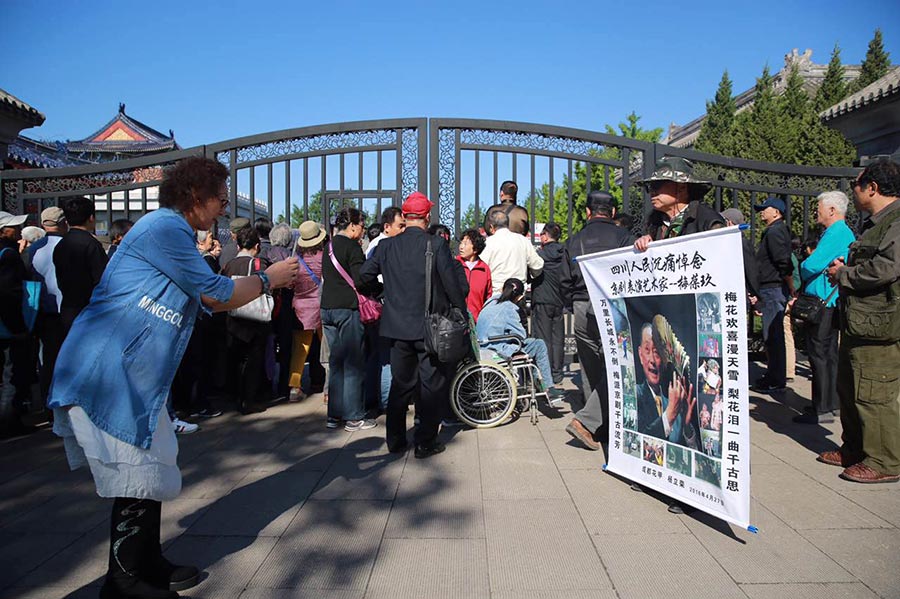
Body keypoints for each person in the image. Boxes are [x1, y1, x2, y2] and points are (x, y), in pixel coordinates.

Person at [47, 156, 297, 598]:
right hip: (112, 369)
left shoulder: (171, 231)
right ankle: (123, 580)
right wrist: (267, 278)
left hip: (136, 373)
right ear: (195, 197)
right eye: (220, 198)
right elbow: (216, 294)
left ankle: (146, 562)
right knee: (134, 474)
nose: (223, 207)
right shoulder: (164, 228)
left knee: (152, 466)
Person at [359, 191, 468, 458]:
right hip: (429, 326)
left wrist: (382, 293)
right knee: (430, 386)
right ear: (427, 217)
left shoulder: (386, 246)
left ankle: (395, 440)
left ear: (405, 217)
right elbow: (452, 286)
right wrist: (459, 311)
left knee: (401, 384)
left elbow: (363, 277)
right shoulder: (436, 245)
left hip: (397, 327)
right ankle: (425, 441)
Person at [819, 160, 900, 484]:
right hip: (860, 323)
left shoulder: (895, 222)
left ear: (872, 188)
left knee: (874, 392)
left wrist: (845, 273)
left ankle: (885, 460)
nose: (853, 192)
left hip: (880, 327)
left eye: (856, 186)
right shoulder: (875, 223)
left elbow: (887, 268)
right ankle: (854, 448)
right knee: (850, 388)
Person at [561, 191, 634, 451]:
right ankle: (596, 423)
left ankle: (596, 426)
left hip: (582, 307)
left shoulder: (574, 241)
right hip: (614, 306)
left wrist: (573, 303)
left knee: (590, 367)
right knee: (616, 365)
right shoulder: (624, 237)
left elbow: (564, 280)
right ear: (613, 213)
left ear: (588, 212)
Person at [792, 191, 855, 425]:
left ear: (831, 210)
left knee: (819, 354)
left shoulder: (836, 232)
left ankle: (821, 408)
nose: (816, 211)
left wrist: (806, 263)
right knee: (828, 355)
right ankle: (831, 403)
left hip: (822, 303)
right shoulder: (841, 232)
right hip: (831, 302)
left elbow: (812, 264)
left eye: (819, 207)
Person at [321, 207, 378, 432]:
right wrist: (377, 287)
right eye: (362, 226)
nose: (363, 231)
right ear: (353, 225)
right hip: (347, 308)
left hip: (327, 308)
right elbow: (360, 279)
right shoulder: (352, 247)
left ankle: (334, 416)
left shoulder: (329, 246)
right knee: (353, 363)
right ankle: (354, 416)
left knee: (336, 363)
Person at [477, 278, 564, 402]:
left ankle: (541, 383)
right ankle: (548, 387)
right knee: (538, 345)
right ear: (519, 297)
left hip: (484, 345)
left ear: (503, 289)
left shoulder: (490, 302)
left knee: (532, 345)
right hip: (495, 348)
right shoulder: (509, 308)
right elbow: (520, 335)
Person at [222, 226, 272, 415]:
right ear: (257, 245)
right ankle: (249, 400)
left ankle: (236, 396)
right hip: (254, 318)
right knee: (253, 360)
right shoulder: (259, 265)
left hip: (233, 318)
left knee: (236, 359)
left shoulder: (228, 265)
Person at [750, 197, 795, 393]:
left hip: (774, 288)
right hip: (772, 288)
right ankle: (773, 376)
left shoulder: (776, 231)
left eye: (764, 209)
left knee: (774, 335)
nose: (761, 212)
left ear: (776, 212)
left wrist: (791, 285)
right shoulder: (774, 231)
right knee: (771, 335)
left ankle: (776, 379)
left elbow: (783, 261)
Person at [635, 320, 699, 450]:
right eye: (647, 350)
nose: (652, 360)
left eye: (657, 352)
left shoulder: (672, 401)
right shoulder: (635, 395)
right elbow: (638, 446)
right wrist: (670, 414)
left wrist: (686, 427)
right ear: (640, 355)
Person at [28, 207, 68, 403]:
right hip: (69, 309)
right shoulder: (69, 245)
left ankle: (48, 401)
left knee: (48, 360)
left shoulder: (34, 249)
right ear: (63, 223)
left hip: (44, 310)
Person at [53, 196, 108, 336]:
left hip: (67, 308)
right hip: (90, 310)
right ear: (91, 218)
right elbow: (102, 280)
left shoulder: (61, 245)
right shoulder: (91, 244)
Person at [0, 210, 33, 434]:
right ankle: (9, 422)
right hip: (6, 325)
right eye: (14, 227)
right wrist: (18, 327)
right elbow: (8, 294)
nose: (19, 230)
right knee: (11, 374)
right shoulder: (8, 254)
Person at [289, 220, 326, 402]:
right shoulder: (324, 257)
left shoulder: (295, 260)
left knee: (300, 350)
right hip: (321, 306)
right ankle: (329, 389)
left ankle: (295, 387)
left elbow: (289, 283)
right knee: (328, 349)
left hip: (300, 308)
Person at [480, 208, 543, 296]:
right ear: (507, 224)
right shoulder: (522, 240)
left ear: (491, 227)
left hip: (495, 294)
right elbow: (538, 265)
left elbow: (481, 270)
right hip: (518, 294)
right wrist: (532, 275)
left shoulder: (488, 243)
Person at [531, 222, 565, 384]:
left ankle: (546, 373)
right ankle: (558, 372)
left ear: (545, 236)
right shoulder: (564, 252)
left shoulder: (540, 255)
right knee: (558, 337)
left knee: (544, 338)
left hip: (542, 298)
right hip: (559, 300)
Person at [267, 223, 297, 401]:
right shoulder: (291, 256)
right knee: (286, 348)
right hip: (286, 305)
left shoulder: (266, 253)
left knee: (267, 346)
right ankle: (283, 387)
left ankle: (266, 384)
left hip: (268, 306)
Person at [720, 208, 760, 300]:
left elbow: (751, 270)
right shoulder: (727, 242)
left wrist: (755, 294)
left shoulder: (741, 243)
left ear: (729, 223)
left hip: (738, 293)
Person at [456, 228, 492, 322]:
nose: (461, 247)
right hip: (456, 321)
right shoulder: (454, 265)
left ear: (475, 249)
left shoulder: (484, 269)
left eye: (465, 244)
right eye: (461, 243)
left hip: (476, 320)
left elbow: (488, 297)